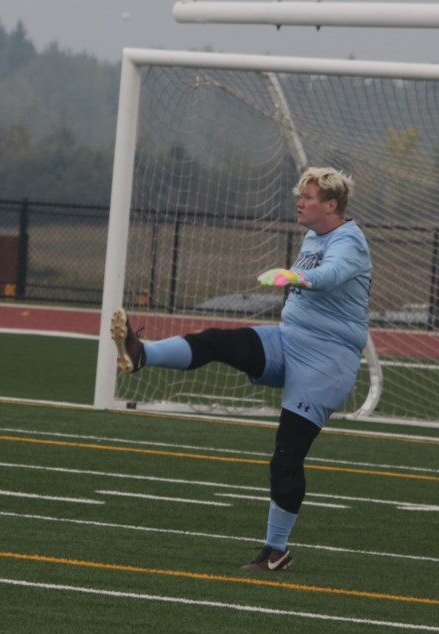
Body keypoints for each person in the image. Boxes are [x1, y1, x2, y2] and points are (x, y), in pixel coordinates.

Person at [110, 167, 371, 571]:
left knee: (286, 457)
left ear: (332, 205)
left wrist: (294, 274)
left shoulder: (349, 240)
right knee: (219, 341)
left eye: (309, 197)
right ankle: (143, 353)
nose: (300, 202)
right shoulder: (312, 235)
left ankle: (275, 551)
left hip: (327, 362)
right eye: (300, 195)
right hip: (290, 340)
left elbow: (331, 275)